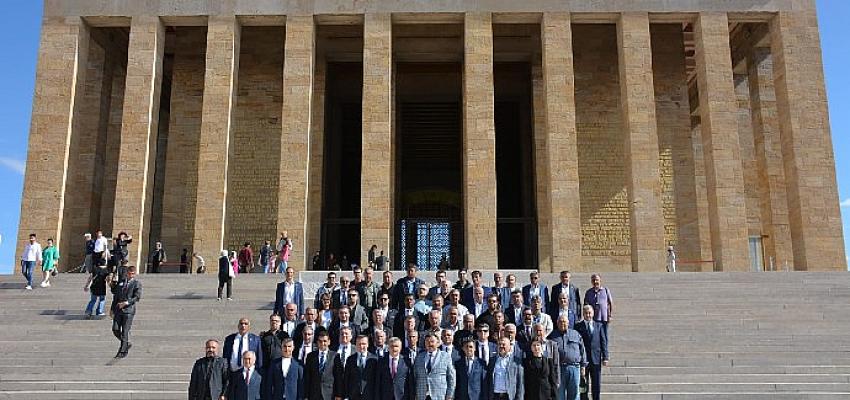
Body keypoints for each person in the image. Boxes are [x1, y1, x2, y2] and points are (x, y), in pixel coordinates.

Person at [575, 306, 608, 400]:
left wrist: (605, 357)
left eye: (589, 313)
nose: (588, 315)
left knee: (596, 384)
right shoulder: (578, 326)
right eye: (586, 313)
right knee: (583, 384)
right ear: (583, 314)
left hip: (596, 359)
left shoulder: (599, 325)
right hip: (583, 361)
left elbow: (603, 342)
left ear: (593, 313)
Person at [550, 315, 586, 400]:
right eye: (560, 322)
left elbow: (582, 350)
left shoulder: (575, 334)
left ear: (568, 323)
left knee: (574, 395)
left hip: (574, 367)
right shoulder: (552, 335)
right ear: (557, 323)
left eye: (564, 322)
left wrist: (583, 366)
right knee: (559, 395)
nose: (562, 323)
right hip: (559, 369)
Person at [110, 265, 141, 358]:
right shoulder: (122, 282)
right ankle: (126, 342)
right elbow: (115, 295)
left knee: (125, 331)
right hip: (118, 309)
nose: (130, 275)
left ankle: (123, 351)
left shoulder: (136, 284)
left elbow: (137, 297)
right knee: (115, 329)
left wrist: (126, 303)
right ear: (127, 273)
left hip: (128, 310)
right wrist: (112, 309)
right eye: (129, 273)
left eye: (132, 274)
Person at [414, 333, 456, 400]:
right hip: (422, 395)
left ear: (438, 343)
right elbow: (415, 376)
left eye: (432, 341)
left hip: (440, 395)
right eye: (427, 341)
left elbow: (451, 377)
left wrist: (449, 395)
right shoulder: (419, 357)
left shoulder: (445, 356)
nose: (429, 344)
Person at [304, 331, 337, 400]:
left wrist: (338, 395)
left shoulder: (335, 356)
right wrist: (306, 396)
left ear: (329, 342)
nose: (322, 343)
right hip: (313, 394)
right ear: (317, 342)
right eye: (320, 341)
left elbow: (338, 377)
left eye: (325, 341)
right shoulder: (310, 356)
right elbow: (307, 377)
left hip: (329, 394)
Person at [343, 335, 378, 400]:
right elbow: (346, 378)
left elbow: (377, 380)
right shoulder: (350, 359)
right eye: (359, 344)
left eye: (363, 344)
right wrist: (346, 396)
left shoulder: (374, 359)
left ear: (368, 344)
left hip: (369, 395)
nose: (361, 346)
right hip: (353, 396)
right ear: (355, 345)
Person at [583, 275, 613, 342]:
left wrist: (610, 315)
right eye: (593, 280)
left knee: (604, 337)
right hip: (594, 319)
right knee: (595, 337)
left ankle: (605, 351)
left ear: (600, 281)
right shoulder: (588, 292)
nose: (595, 282)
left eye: (597, 280)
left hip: (604, 318)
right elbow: (585, 305)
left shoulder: (605, 290)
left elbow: (610, 303)